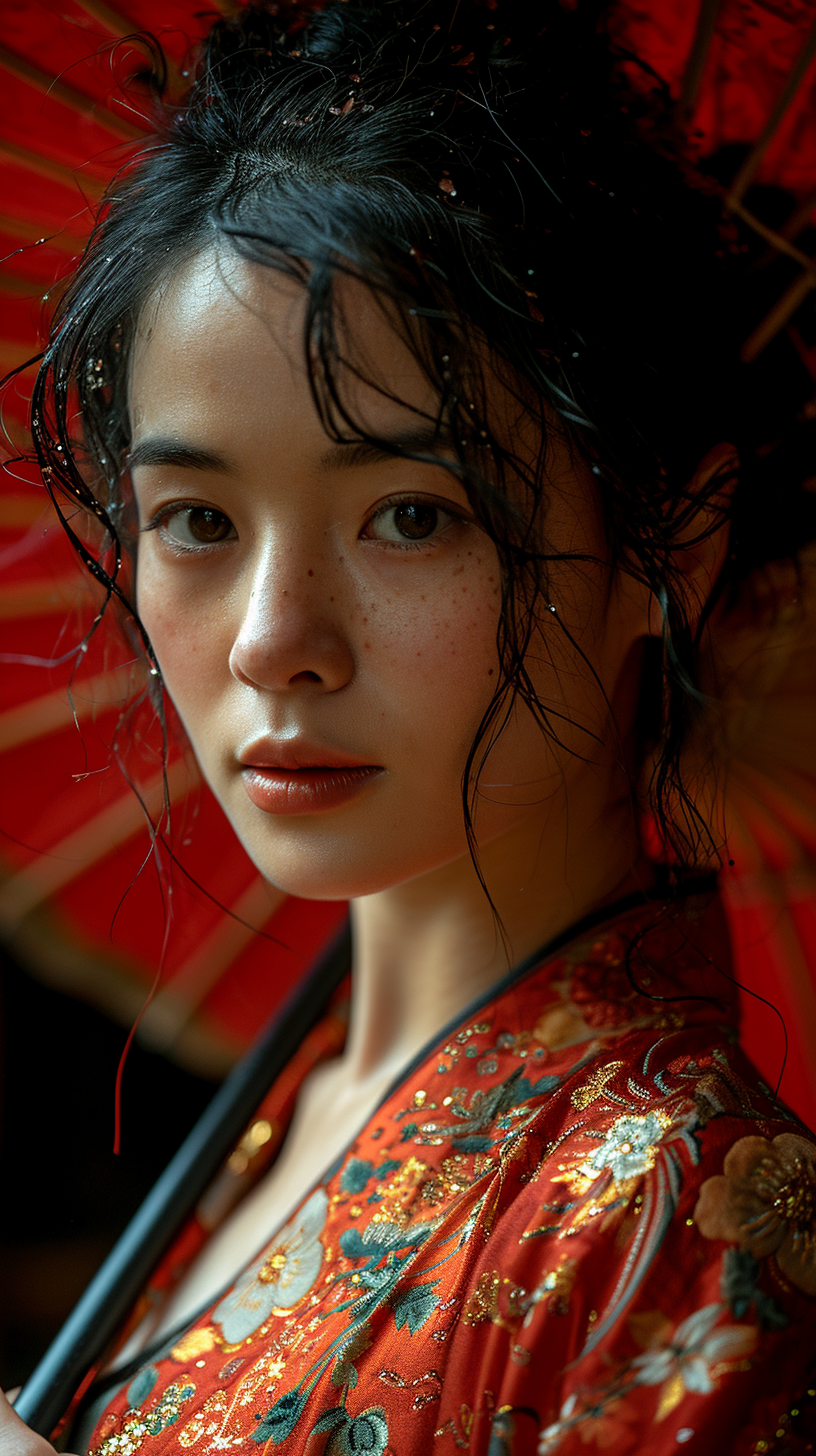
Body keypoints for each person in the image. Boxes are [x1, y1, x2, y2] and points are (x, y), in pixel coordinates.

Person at [2, 0, 815, 1451]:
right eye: (195, 518)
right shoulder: (289, 1124)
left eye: (409, 514)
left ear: (668, 550)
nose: (270, 642)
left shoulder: (690, 1223)